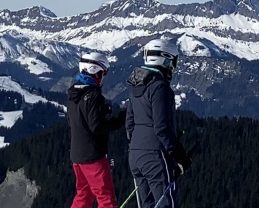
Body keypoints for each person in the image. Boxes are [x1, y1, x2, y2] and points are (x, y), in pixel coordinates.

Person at [126, 38, 191, 208]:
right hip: (155, 154)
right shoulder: (160, 87)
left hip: (135, 154)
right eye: (172, 62)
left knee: (146, 204)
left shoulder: (135, 85)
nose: (173, 67)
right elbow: (162, 127)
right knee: (165, 202)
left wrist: (138, 145)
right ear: (165, 59)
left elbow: (129, 124)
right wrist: (179, 155)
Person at [67, 52, 124, 208]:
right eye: (102, 73)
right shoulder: (93, 95)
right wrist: (119, 120)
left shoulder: (74, 93)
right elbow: (97, 126)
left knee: (84, 194)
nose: (103, 77)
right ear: (94, 71)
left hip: (77, 155)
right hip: (93, 156)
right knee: (106, 198)